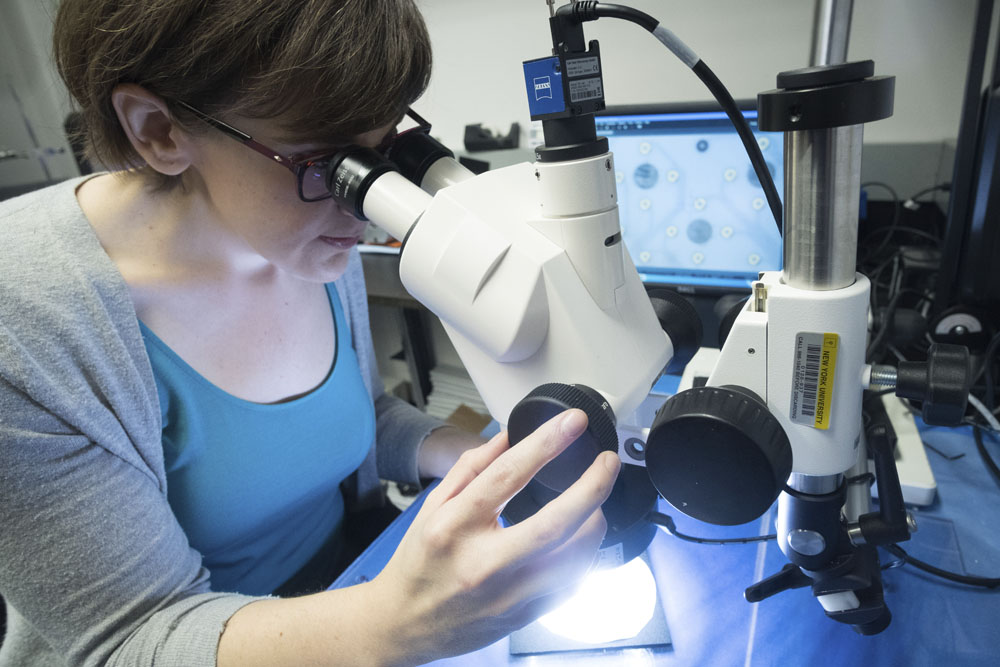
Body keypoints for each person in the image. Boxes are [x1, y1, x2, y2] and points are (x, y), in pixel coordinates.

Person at [0, 1, 621, 666]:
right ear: (159, 130)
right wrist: (393, 623)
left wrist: (480, 459)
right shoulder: (27, 323)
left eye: (385, 151)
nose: (368, 208)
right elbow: (130, 639)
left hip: (352, 580)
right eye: (331, 162)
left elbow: (352, 417)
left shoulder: (303, 230)